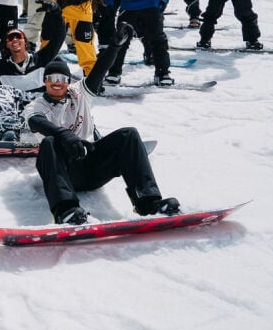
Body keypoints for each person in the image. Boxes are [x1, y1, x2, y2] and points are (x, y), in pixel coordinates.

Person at [24, 26, 181, 225]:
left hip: (92, 167)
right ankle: (66, 211)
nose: (57, 83)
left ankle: (149, 202)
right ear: (45, 82)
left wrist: (114, 47)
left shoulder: (78, 92)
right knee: (49, 143)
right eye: (52, 79)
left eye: (62, 79)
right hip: (64, 173)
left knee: (128, 134)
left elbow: (98, 71)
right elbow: (37, 121)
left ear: (68, 81)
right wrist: (64, 135)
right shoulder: (36, 105)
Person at [0, 0, 66, 137]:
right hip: (15, 117)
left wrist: (56, 12)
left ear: (25, 41)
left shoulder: (41, 59)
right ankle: (8, 133)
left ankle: (59, 130)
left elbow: (59, 37)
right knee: (3, 91)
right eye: (10, 38)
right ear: (6, 44)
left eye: (18, 36)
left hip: (41, 114)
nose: (15, 40)